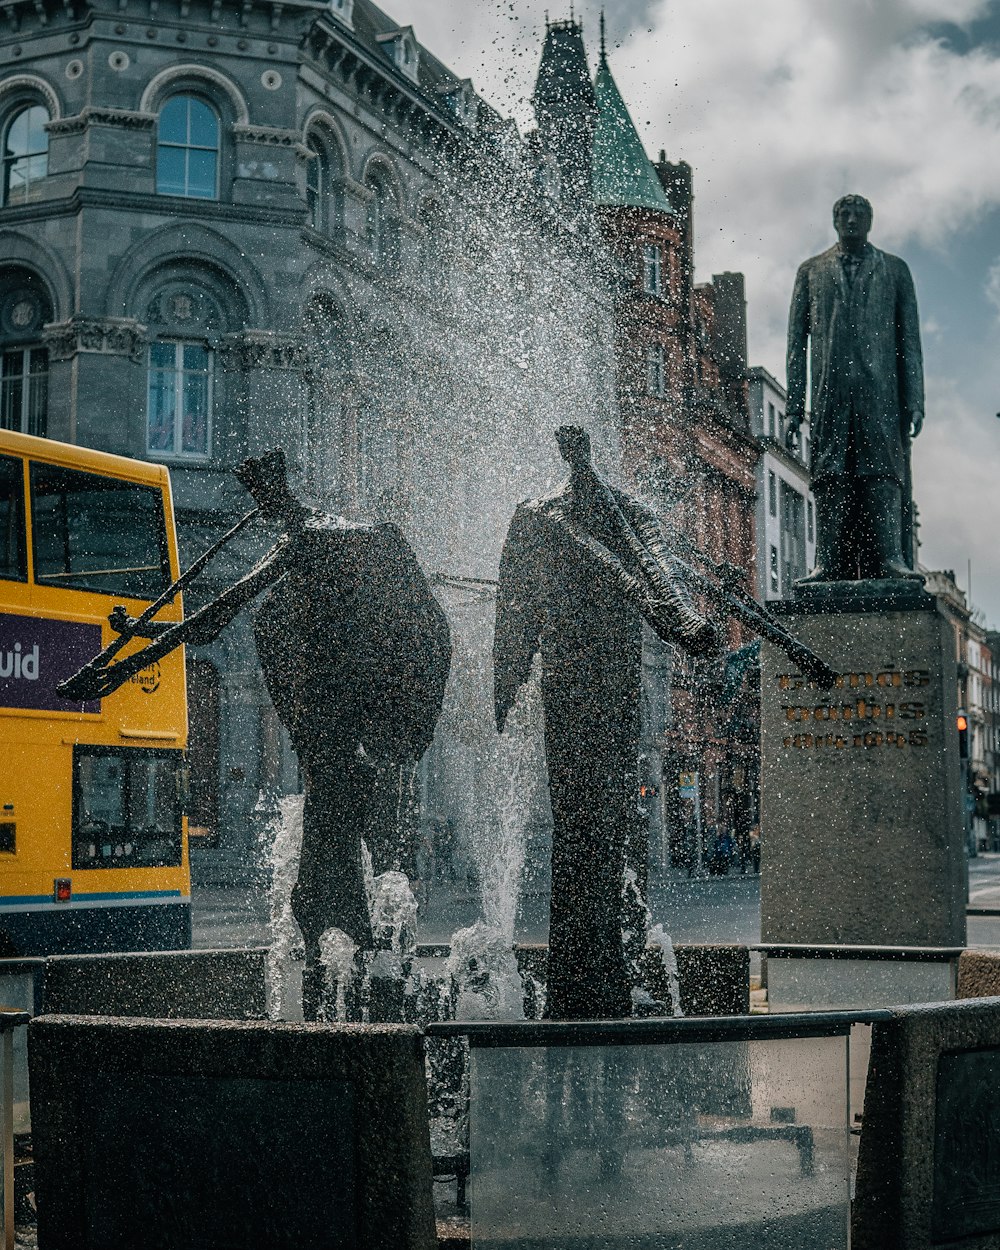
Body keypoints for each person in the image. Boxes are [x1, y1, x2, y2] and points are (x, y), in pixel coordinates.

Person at [493, 426, 717, 1020]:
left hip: (615, 687)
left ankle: (604, 965)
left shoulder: (626, 512)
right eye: (566, 449)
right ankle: (580, 973)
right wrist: (508, 679)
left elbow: (658, 578)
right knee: (575, 824)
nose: (573, 455)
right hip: (565, 687)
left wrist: (687, 625)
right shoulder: (540, 518)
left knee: (610, 823)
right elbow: (513, 607)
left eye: (582, 449)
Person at [785, 194, 924, 582]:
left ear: (870, 221)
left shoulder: (895, 271)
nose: (850, 220)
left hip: (881, 396)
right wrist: (795, 407)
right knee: (831, 476)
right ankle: (827, 562)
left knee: (883, 473)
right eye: (843, 214)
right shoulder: (810, 271)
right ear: (834, 221)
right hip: (831, 395)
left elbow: (909, 340)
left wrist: (915, 399)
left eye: (858, 214)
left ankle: (890, 559)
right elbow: (797, 344)